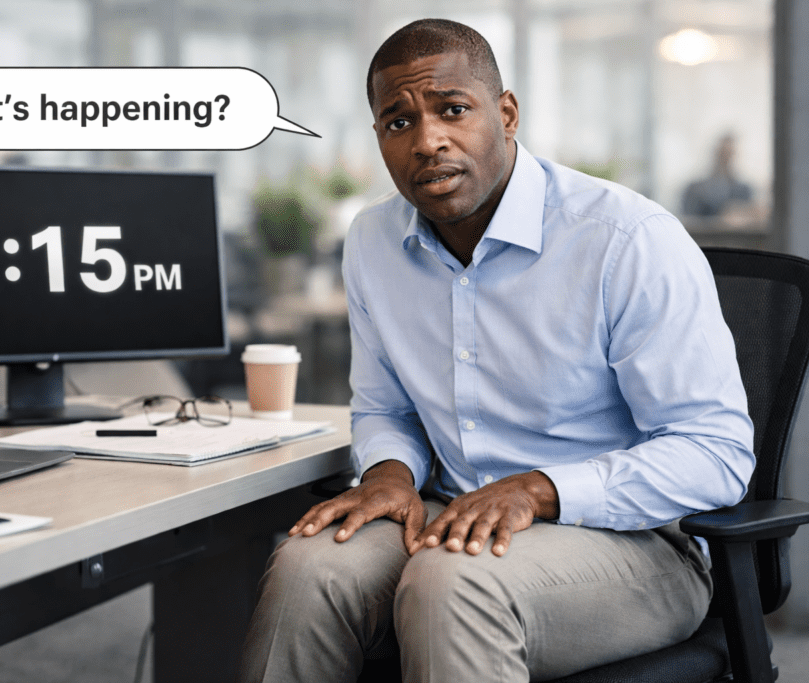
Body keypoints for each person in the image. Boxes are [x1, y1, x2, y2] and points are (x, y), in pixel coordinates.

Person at [238, 18, 755, 683]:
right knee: (308, 567)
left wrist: (539, 490)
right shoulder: (372, 241)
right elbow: (385, 408)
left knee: (452, 582)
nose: (428, 140)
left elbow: (715, 452)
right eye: (399, 122)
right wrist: (389, 475)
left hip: (633, 542)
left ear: (506, 114)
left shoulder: (625, 239)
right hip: (448, 515)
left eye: (453, 110)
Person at [681, 133, 754, 218]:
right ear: (715, 154)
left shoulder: (744, 191)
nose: (725, 159)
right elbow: (690, 220)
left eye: (729, 154)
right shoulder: (695, 190)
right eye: (723, 153)